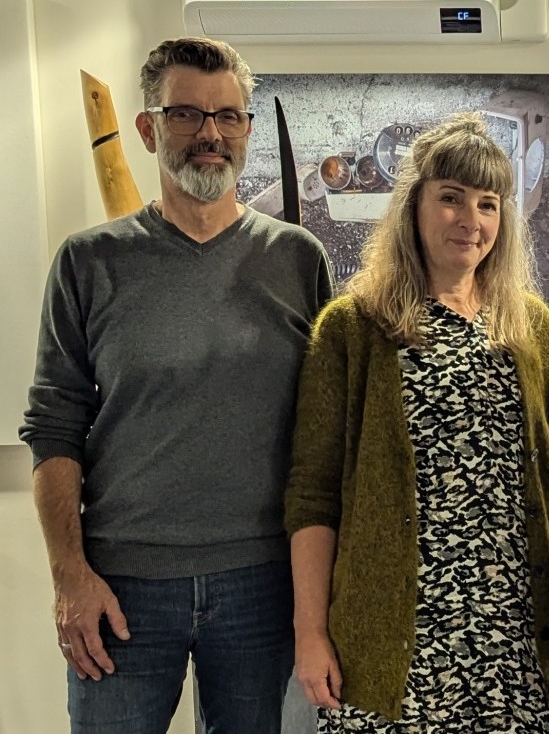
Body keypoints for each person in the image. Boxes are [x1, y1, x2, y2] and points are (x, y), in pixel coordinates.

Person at [19, 37, 333, 733]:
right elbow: (53, 427)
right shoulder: (89, 263)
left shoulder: (297, 260)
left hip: (263, 585)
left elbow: (326, 431)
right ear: (147, 127)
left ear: (247, 128)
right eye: (187, 114)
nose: (210, 134)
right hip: (122, 586)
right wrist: (70, 576)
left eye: (228, 116)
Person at [285, 113, 549, 733]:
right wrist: (311, 634)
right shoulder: (352, 328)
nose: (471, 219)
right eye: (451, 198)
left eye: (489, 203)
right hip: (393, 643)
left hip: (507, 641)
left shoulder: (530, 329)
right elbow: (312, 495)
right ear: (412, 206)